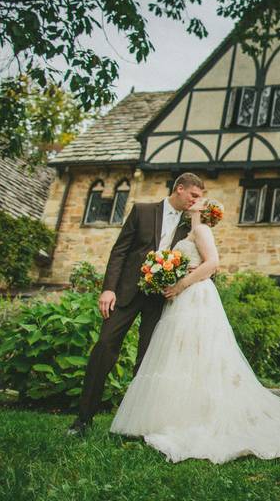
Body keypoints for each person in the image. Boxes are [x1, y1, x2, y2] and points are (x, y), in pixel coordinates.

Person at [108, 197, 280, 463]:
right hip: (181, 299)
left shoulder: (203, 231)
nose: (193, 201)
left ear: (203, 210)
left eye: (198, 199)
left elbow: (213, 264)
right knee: (180, 353)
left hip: (195, 295)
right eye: (192, 196)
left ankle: (197, 418)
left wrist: (181, 284)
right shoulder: (188, 233)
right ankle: (171, 416)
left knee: (201, 353)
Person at [66, 173, 204, 436]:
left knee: (148, 360)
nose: (196, 201)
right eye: (193, 196)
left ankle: (137, 424)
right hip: (127, 293)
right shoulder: (142, 211)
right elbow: (120, 251)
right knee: (105, 348)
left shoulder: (190, 227)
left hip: (161, 300)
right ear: (180, 189)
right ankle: (83, 419)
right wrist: (108, 289)